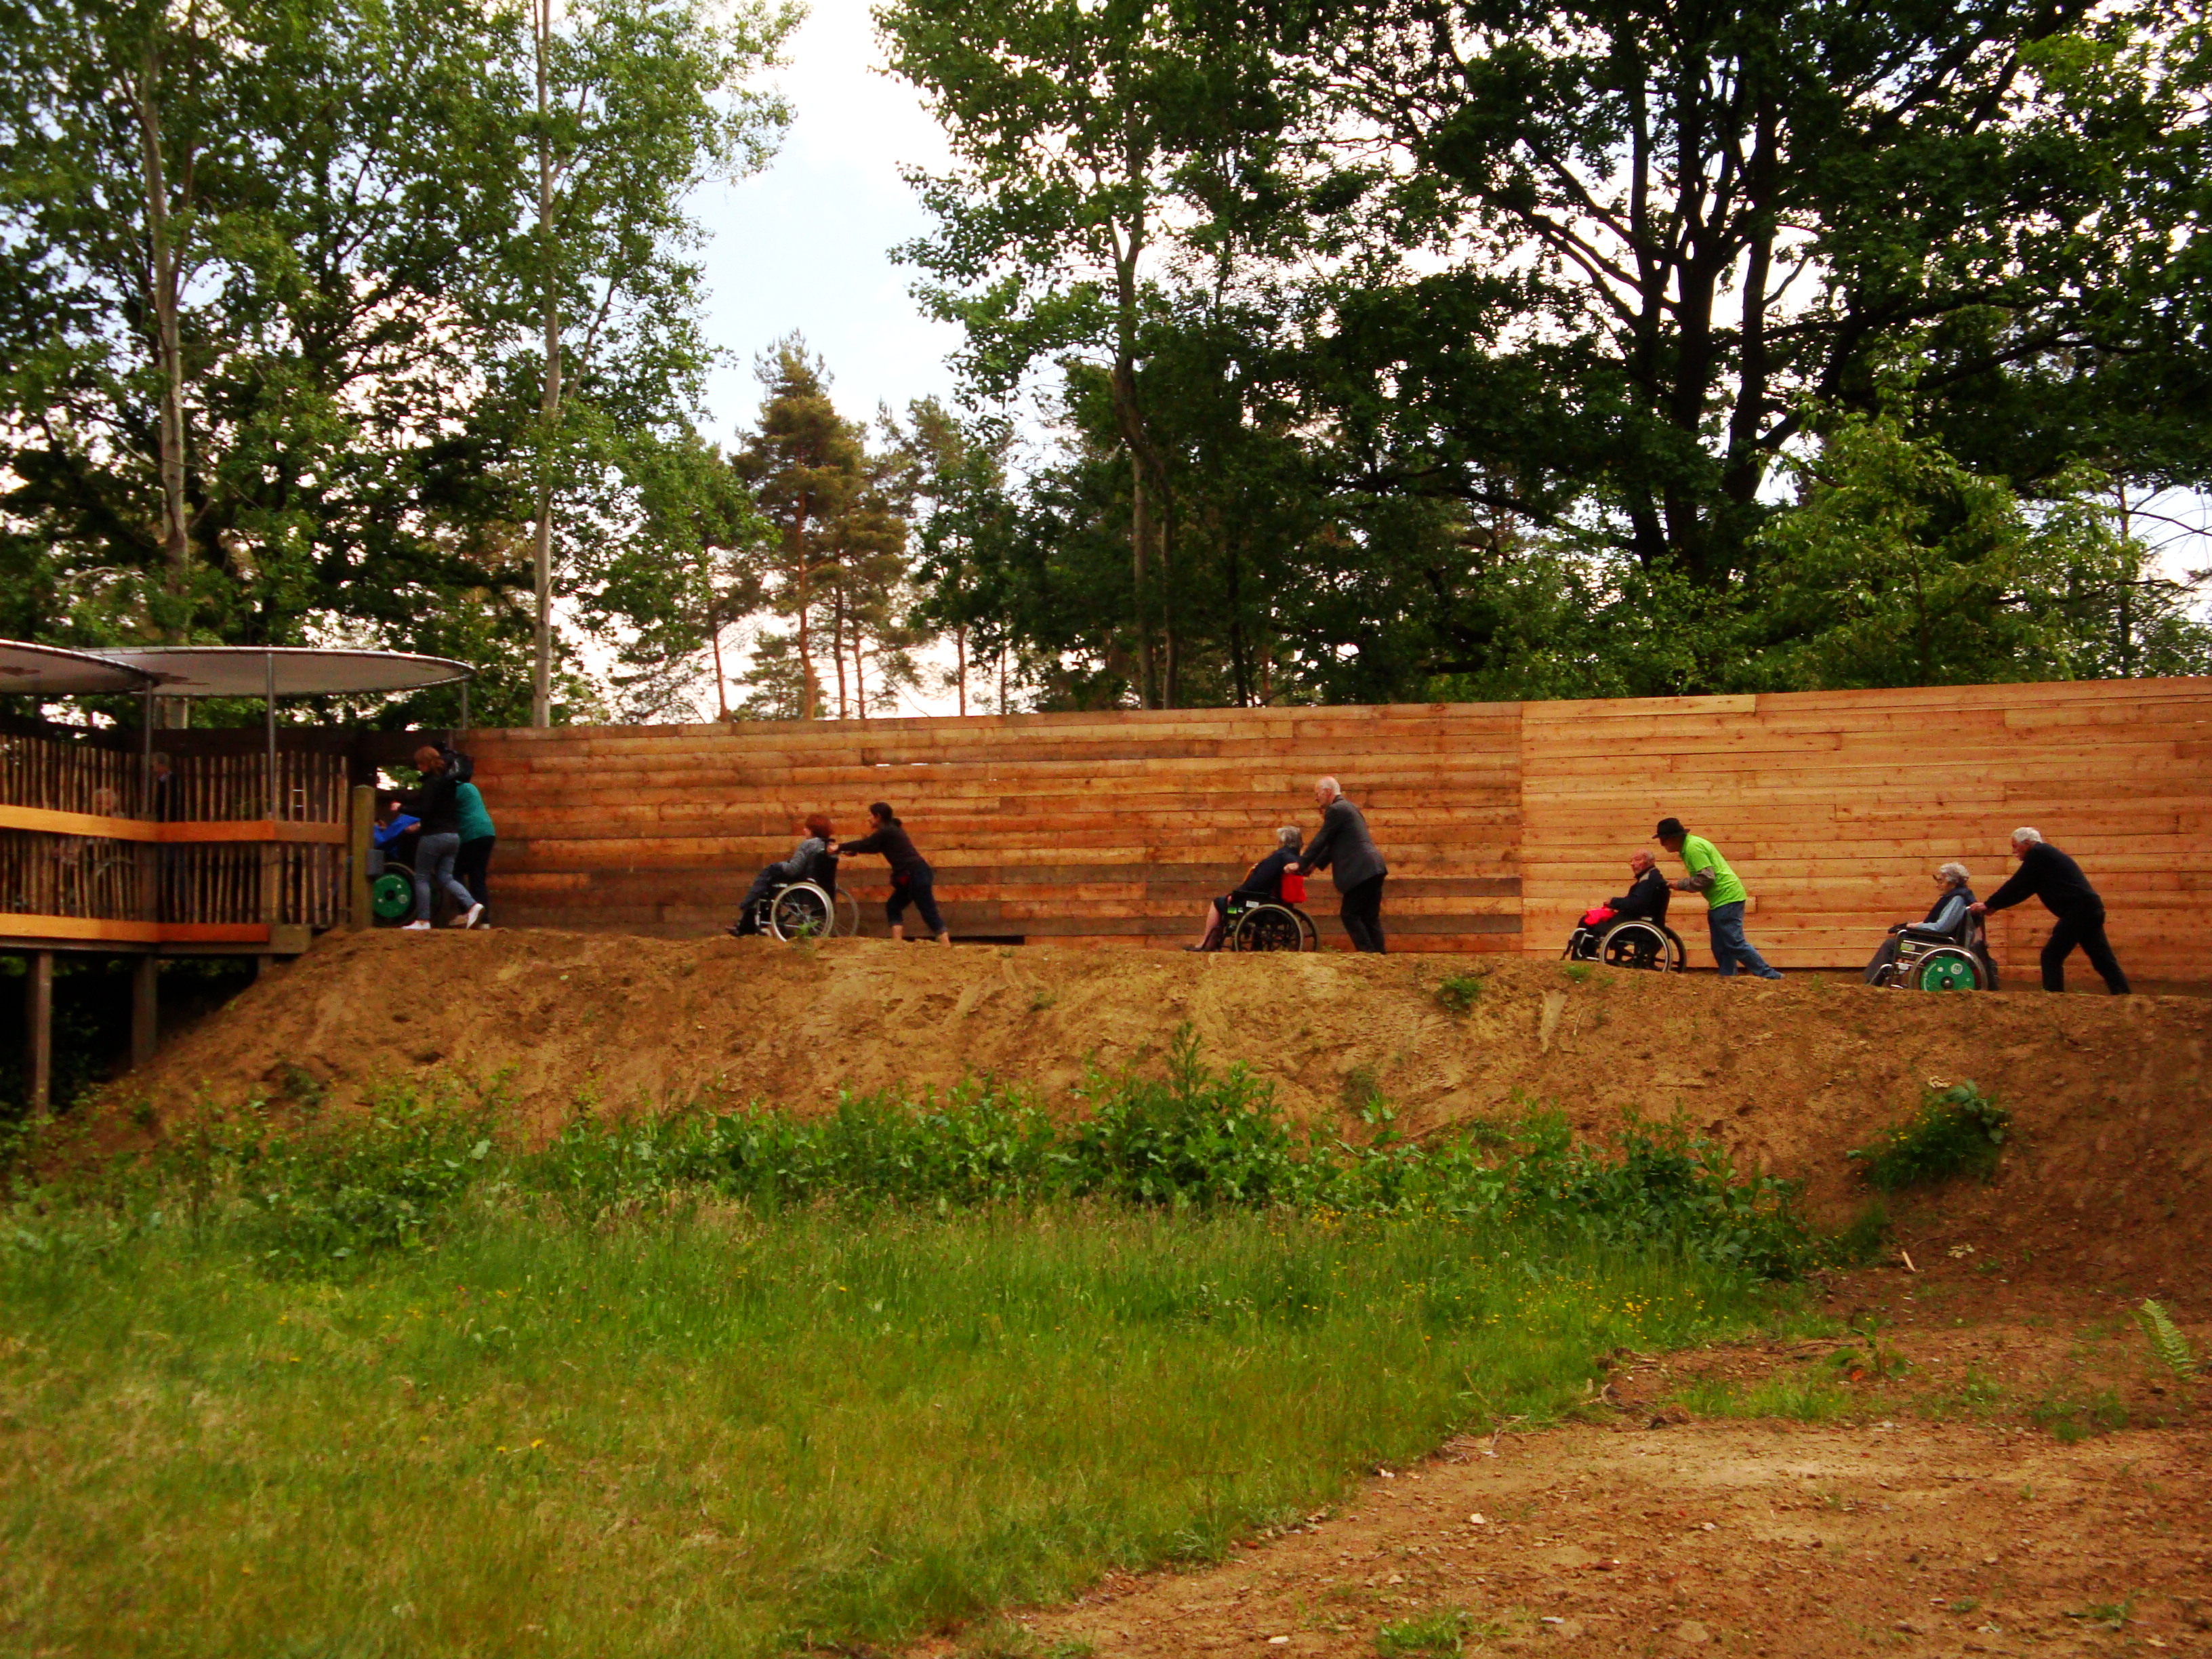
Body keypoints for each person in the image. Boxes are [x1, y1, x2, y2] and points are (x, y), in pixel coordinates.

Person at [1969, 827, 2130, 994]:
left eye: (2015, 846)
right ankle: (2123, 995)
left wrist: (1988, 904)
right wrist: (1995, 906)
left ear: (2027, 843)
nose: (2013, 851)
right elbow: (2024, 890)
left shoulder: (2038, 853)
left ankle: (2054, 1000)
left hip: (2079, 911)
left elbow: (2017, 883)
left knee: (2051, 955)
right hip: (2090, 909)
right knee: (2102, 959)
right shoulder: (2043, 860)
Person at [1656, 816, 1782, 980]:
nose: (1662, 844)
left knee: (1735, 943)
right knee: (1720, 946)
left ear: (1674, 838)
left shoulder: (1693, 848)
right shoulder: (1690, 846)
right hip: (1721, 900)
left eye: (1663, 840)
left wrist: (1680, 884)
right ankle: (1728, 978)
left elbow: (1707, 877)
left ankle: (1770, 975)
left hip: (1727, 898)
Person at [834, 801, 949, 943]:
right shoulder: (890, 831)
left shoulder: (886, 831)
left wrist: (838, 847)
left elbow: (867, 844)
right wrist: (854, 850)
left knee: (928, 912)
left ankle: (946, 947)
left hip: (915, 874)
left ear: (878, 817)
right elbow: (874, 847)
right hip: (912, 875)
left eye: (870, 815)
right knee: (893, 906)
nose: (868, 819)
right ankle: (897, 945)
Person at [1298, 776, 1388, 954]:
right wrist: (1314, 865)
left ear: (1327, 792)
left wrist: (1300, 864)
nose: (1316, 798)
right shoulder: (1350, 808)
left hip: (1360, 870)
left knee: (1349, 914)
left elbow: (1321, 839)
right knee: (1370, 917)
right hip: (1374, 867)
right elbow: (1332, 846)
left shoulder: (1336, 810)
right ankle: (1381, 958)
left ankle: (1369, 954)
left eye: (1317, 794)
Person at [1186, 826, 1303, 951]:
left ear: (1282, 841)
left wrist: (1236, 895)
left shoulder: (1277, 858)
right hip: (1277, 904)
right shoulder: (1295, 860)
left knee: (1218, 904)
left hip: (1255, 905)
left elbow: (1256, 883)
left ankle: (1207, 944)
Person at [403, 745, 481, 931]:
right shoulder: (448, 782)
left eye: (419, 764)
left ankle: (423, 921)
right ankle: (472, 905)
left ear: (424, 763)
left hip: (434, 836)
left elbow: (425, 810)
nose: (418, 768)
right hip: (453, 836)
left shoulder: (431, 783)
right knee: (446, 877)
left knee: (421, 876)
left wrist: (401, 807)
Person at [1862, 862, 1976, 984]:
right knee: (1895, 940)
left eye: (1941, 881)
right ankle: (1875, 980)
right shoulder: (1956, 897)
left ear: (1952, 884)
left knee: (1891, 945)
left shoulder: (1957, 900)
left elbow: (1942, 927)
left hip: (1938, 943)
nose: (1938, 885)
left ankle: (1872, 983)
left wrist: (1917, 926)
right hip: (1938, 940)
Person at [729, 815, 836, 937]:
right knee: (767, 882)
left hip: (801, 888)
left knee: (767, 877)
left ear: (813, 830)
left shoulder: (808, 845)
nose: (804, 831)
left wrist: (779, 866)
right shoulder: (829, 847)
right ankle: (750, 923)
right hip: (820, 887)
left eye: (806, 828)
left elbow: (793, 870)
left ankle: (747, 910)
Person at [453, 775, 497, 925]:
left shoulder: (454, 791)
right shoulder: (470, 788)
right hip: (488, 832)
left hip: (472, 834)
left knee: (454, 873)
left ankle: (468, 911)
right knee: (477, 876)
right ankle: (484, 921)